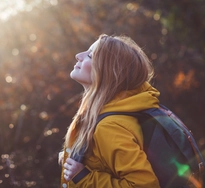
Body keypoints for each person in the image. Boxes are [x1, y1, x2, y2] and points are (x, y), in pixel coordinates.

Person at [59, 34, 161, 187]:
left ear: (108, 71)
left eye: (90, 55)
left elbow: (144, 185)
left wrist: (83, 178)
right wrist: (73, 156)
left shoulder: (109, 127)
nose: (78, 56)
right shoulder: (110, 112)